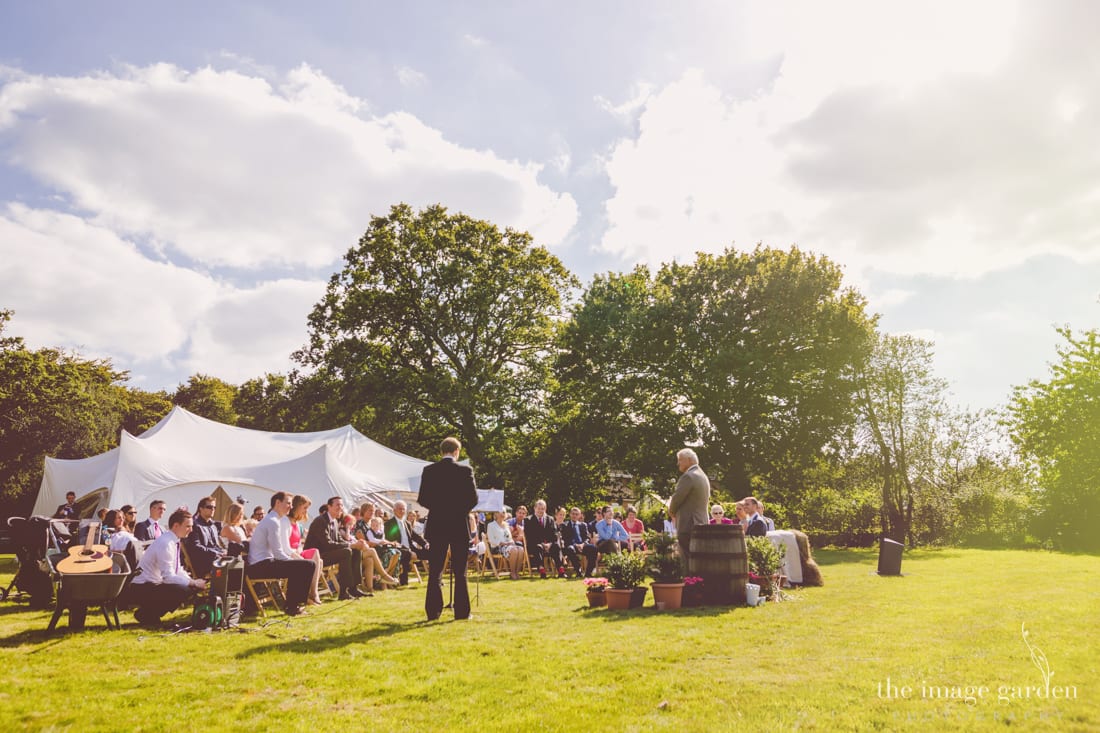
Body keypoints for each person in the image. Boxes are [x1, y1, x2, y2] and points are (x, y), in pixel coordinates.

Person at [417, 437, 479, 621]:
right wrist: (459, 510)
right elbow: (473, 499)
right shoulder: (465, 470)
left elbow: (422, 498)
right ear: (457, 451)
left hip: (437, 523)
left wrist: (438, 508)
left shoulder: (429, 470)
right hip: (458, 523)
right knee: (460, 569)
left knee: (436, 569)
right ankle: (462, 612)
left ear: (441, 451)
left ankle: (433, 611)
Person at [128, 508, 206, 627]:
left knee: (188, 587)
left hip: (150, 584)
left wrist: (194, 582)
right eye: (187, 526)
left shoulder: (172, 541)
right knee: (183, 590)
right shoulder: (166, 543)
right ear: (175, 526)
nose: (191, 530)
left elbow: (177, 569)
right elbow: (168, 577)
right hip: (142, 587)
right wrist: (193, 583)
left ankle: (149, 613)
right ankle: (147, 614)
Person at [247, 492, 316, 617]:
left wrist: (294, 562)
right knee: (307, 565)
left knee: (305, 565)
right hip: (260, 566)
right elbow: (278, 554)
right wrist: (294, 562)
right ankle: (293, 606)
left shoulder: (273, 520)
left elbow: (278, 553)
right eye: (288, 503)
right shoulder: (273, 521)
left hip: (263, 563)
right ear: (278, 503)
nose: (290, 506)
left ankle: (293, 605)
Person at [305, 497, 367, 600]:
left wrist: (355, 544)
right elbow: (328, 544)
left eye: (342, 505)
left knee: (356, 550)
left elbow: (339, 540)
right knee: (347, 552)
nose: (340, 507)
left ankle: (354, 588)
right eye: (337, 505)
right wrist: (351, 545)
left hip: (327, 553)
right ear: (329, 507)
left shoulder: (334, 521)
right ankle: (343, 592)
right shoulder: (320, 521)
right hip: (316, 556)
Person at [668, 448, 711, 565]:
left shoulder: (688, 476)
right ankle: (698, 582)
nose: (678, 463)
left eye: (680, 460)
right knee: (698, 558)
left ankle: (689, 582)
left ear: (689, 460)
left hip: (688, 524)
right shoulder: (703, 476)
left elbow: (677, 499)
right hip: (701, 522)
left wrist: (671, 511)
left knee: (687, 559)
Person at [288, 494, 323, 606]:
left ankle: (312, 592)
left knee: (317, 556)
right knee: (317, 559)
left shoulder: (297, 524)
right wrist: (297, 551)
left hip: (297, 551)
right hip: (289, 554)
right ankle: (313, 593)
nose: (306, 511)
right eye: (304, 508)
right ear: (297, 506)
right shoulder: (286, 522)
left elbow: (298, 543)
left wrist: (299, 549)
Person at [384, 500, 428, 586]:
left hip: (412, 549)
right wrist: (407, 550)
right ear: (394, 510)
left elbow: (415, 536)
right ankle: (404, 581)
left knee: (431, 552)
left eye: (403, 509)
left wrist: (425, 544)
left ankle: (435, 579)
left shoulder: (407, 523)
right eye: (399, 509)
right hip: (398, 549)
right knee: (407, 554)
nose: (402, 511)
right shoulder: (389, 524)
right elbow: (390, 539)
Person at [184, 496, 226, 578]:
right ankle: (220, 589)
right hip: (202, 562)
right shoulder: (194, 525)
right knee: (227, 566)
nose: (212, 509)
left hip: (215, 559)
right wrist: (216, 553)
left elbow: (215, 546)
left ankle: (233, 590)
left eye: (214, 507)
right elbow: (195, 547)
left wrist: (223, 552)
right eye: (209, 507)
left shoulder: (213, 525)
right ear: (201, 509)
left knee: (237, 562)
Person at [525, 499, 563, 578]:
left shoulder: (550, 519)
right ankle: (542, 571)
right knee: (538, 547)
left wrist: (550, 544)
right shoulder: (528, 520)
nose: (540, 511)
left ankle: (560, 571)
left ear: (545, 509)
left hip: (549, 544)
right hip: (535, 544)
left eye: (542, 509)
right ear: (534, 508)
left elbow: (555, 534)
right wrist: (542, 544)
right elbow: (530, 536)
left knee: (556, 546)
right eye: (538, 508)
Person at [561, 507, 599, 577]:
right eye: (573, 514)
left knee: (594, 549)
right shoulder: (565, 525)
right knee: (570, 549)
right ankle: (578, 570)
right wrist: (576, 545)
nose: (574, 516)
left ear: (579, 515)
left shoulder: (583, 525)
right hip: (572, 546)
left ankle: (588, 572)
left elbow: (587, 538)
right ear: (570, 514)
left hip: (583, 545)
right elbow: (565, 539)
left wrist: (582, 544)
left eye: (576, 514)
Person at [487, 511, 524, 580]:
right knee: (514, 550)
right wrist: (502, 543)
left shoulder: (506, 525)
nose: (502, 514)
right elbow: (491, 540)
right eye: (500, 512)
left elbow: (509, 538)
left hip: (509, 545)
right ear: (495, 514)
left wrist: (511, 542)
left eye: (504, 512)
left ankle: (517, 572)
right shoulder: (491, 525)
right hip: (497, 547)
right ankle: (512, 573)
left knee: (521, 549)